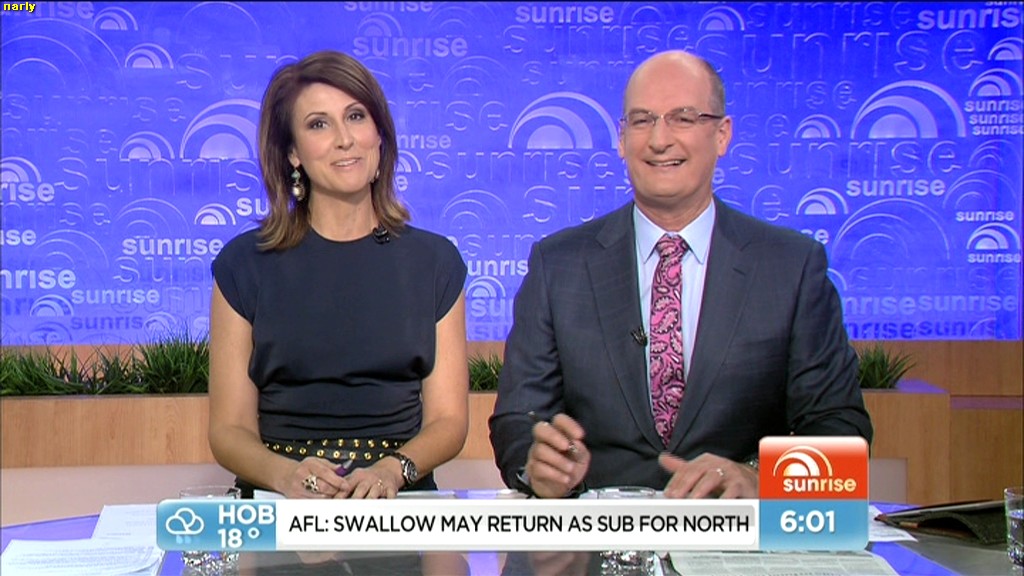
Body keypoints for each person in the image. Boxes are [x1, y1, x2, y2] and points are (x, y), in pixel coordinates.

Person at [489, 50, 872, 499]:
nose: (659, 140)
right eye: (642, 120)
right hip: (599, 531)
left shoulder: (791, 266)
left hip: (737, 530)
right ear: (621, 139)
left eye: (683, 118)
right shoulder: (558, 265)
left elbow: (841, 428)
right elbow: (518, 420)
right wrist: (537, 466)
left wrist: (758, 478)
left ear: (722, 135)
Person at [209, 50, 469, 500]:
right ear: (292, 153)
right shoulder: (244, 264)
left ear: (379, 135)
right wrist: (286, 476)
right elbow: (228, 430)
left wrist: (392, 471)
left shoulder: (434, 262)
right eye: (319, 124)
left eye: (356, 116)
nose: (345, 139)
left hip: (398, 503)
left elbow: (449, 422)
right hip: (281, 503)